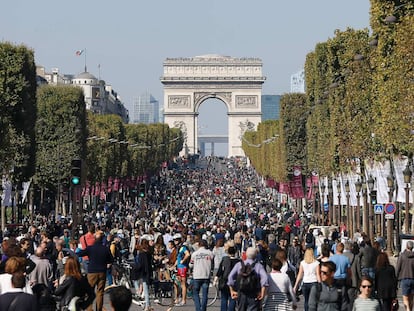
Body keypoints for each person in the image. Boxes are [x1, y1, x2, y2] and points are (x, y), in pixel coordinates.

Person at [77, 230, 114, 311]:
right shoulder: (105, 249)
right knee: (100, 293)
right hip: (102, 272)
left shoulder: (90, 248)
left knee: (89, 291)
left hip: (92, 272)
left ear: (95, 240)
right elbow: (111, 259)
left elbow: (80, 253)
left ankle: (89, 308)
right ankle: (99, 309)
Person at [227, 246, 268, 311]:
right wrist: (262, 293)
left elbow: (230, 277)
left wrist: (232, 290)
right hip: (254, 293)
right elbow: (265, 279)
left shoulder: (239, 265)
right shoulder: (258, 266)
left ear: (246, 254)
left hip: (241, 293)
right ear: (256, 255)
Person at [191, 239, 214, 311]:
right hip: (206, 275)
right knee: (205, 294)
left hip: (197, 275)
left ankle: (198, 308)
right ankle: (203, 309)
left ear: (198, 245)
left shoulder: (195, 254)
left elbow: (191, 265)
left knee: (195, 293)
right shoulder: (210, 253)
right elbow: (213, 263)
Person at [214, 246, 240, 311]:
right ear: (236, 252)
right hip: (235, 282)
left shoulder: (224, 260)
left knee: (224, 298)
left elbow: (220, 271)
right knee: (233, 298)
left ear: (228, 252)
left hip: (224, 281)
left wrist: (215, 280)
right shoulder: (238, 261)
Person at [135, 236, 154, 311]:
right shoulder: (148, 253)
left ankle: (147, 305)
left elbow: (141, 264)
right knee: (146, 289)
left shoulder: (141, 253)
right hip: (148, 272)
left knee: (145, 290)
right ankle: (147, 304)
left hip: (144, 272)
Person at [173, 233, 191, 306]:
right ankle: (177, 298)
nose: (175, 241)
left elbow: (187, 254)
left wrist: (183, 260)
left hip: (183, 267)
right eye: (174, 240)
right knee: (177, 283)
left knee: (183, 284)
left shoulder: (183, 247)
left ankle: (183, 300)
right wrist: (174, 265)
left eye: (177, 240)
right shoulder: (178, 248)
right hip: (179, 267)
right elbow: (178, 259)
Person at [396, 240, 414, 311]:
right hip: (413, 279)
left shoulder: (402, 256)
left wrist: (396, 278)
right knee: (411, 299)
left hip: (404, 279)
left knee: (405, 299)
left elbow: (398, 268)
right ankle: (410, 309)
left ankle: (408, 309)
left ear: (406, 246)